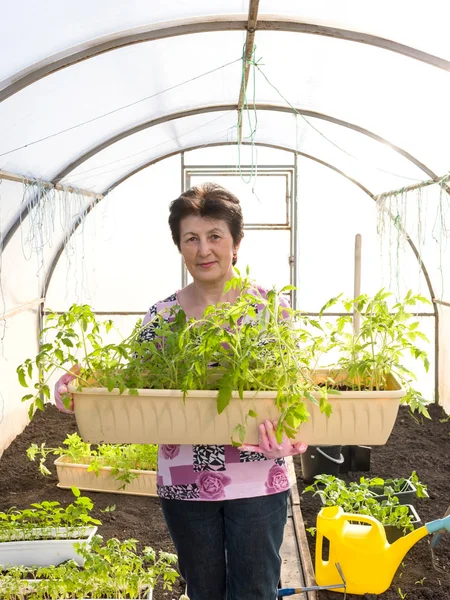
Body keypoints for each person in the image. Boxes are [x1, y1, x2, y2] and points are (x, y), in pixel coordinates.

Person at [55, 183, 307, 600]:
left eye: (214, 236)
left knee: (256, 590)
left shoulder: (267, 310)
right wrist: (77, 388)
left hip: (259, 476)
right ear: (179, 246)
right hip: (186, 481)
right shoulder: (163, 315)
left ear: (236, 243)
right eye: (191, 238)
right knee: (203, 589)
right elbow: (132, 381)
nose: (203, 249)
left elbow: (294, 389)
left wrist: (297, 435)